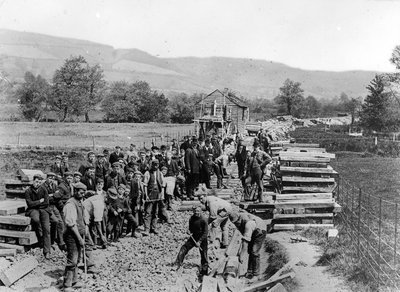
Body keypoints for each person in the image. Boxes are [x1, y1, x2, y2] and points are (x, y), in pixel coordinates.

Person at [62, 182, 97, 291]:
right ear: (76, 191)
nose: (82, 195)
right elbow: (71, 225)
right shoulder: (70, 204)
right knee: (72, 259)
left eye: (84, 193)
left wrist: (86, 229)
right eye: (81, 193)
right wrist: (80, 238)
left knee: (78, 259)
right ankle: (67, 284)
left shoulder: (80, 202)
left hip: (80, 233)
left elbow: (85, 217)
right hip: (71, 235)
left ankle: (74, 281)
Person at [222, 210, 268, 279]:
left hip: (260, 230)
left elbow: (245, 241)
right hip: (253, 230)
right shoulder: (238, 219)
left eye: (237, 223)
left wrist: (241, 255)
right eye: (234, 223)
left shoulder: (248, 224)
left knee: (254, 251)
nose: (236, 225)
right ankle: (249, 271)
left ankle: (256, 273)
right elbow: (244, 238)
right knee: (250, 251)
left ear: (239, 219)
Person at [173, 206, 208, 276]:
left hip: (202, 238)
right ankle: (177, 264)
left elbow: (205, 232)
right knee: (184, 248)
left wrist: (199, 241)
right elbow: (191, 229)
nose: (196, 213)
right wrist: (189, 231)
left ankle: (204, 271)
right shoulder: (192, 218)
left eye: (198, 211)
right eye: (195, 211)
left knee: (203, 254)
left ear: (201, 211)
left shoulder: (204, 220)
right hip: (194, 236)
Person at [25, 174, 51, 259]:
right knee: (36, 219)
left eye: (40, 182)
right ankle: (40, 241)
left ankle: (47, 251)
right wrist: (39, 201)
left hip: (44, 209)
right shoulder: (28, 191)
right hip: (33, 210)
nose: (38, 184)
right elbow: (29, 204)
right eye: (36, 182)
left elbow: (46, 202)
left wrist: (36, 204)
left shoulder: (44, 189)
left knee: (46, 229)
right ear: (33, 181)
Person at [40, 172, 65, 251]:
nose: (51, 180)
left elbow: (60, 195)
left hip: (54, 206)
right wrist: (53, 195)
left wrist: (51, 195)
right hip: (47, 207)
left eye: (53, 179)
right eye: (50, 178)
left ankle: (61, 242)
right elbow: (45, 199)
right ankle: (51, 241)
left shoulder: (54, 185)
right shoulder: (42, 186)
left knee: (61, 222)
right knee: (55, 221)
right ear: (46, 178)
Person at [142, 160, 168, 235]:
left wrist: (162, 194)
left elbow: (162, 185)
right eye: (154, 165)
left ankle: (153, 227)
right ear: (152, 165)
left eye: (157, 165)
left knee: (155, 212)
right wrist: (146, 195)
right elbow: (145, 185)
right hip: (150, 194)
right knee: (148, 212)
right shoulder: (147, 173)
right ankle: (146, 229)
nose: (156, 166)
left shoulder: (160, 173)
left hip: (158, 194)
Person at [83, 179, 107, 248]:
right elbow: (98, 222)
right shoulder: (99, 203)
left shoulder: (101, 199)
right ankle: (90, 244)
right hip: (84, 211)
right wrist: (101, 235)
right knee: (87, 227)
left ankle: (92, 243)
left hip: (90, 212)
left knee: (92, 227)